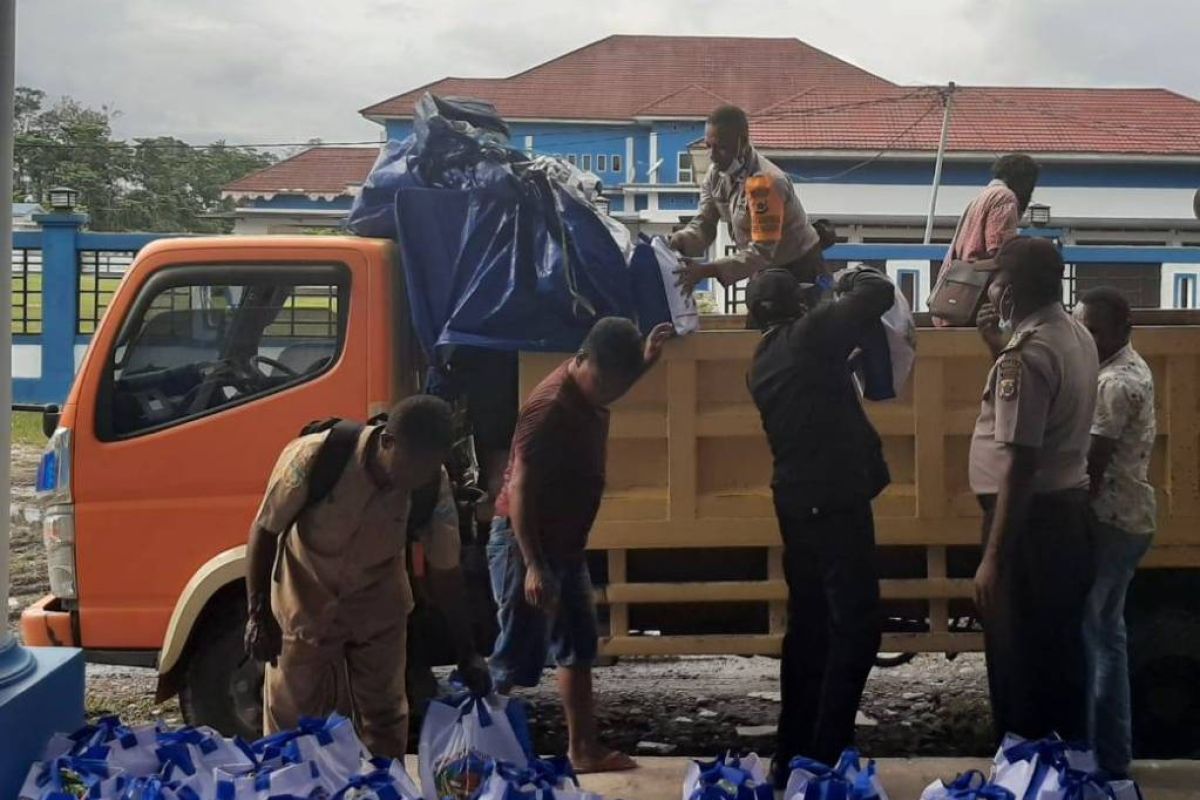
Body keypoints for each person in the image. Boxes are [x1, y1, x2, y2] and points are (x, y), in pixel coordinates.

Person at [244, 396, 491, 758]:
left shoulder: (429, 485)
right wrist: (258, 613)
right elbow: (264, 531)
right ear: (387, 442)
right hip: (306, 595)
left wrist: (467, 653)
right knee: (290, 721)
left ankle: (380, 786)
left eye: (429, 467)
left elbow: (446, 572)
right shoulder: (314, 458)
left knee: (386, 717)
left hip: (377, 604)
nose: (418, 478)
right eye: (413, 465)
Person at [488, 318, 674, 773]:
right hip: (525, 544)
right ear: (583, 359)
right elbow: (521, 493)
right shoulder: (548, 408)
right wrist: (533, 565)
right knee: (514, 656)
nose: (607, 392)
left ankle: (582, 750)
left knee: (577, 645)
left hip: (564, 547)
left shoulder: (591, 385)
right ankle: (470, 741)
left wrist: (646, 364)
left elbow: (613, 383)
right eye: (604, 381)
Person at [744, 266, 894, 784]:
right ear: (796, 305)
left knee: (808, 628)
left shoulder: (761, 360)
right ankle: (827, 754)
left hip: (796, 503)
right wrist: (852, 279)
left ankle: (791, 754)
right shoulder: (807, 337)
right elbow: (878, 293)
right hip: (833, 502)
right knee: (857, 626)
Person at [969, 237, 1098, 743]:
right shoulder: (1073, 334)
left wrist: (994, 558)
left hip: (1029, 529)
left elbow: (1021, 463)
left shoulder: (1026, 357)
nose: (991, 288)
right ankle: (1065, 775)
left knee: (1018, 667)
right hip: (1064, 518)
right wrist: (998, 349)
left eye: (997, 278)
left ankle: (1027, 775)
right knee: (1058, 660)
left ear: (1013, 290)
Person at [1074, 287, 1156, 778]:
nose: (1087, 340)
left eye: (1095, 332)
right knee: (1108, 636)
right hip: (1128, 518)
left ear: (1122, 331)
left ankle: (1100, 761)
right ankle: (1110, 756)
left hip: (1111, 521)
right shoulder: (1127, 367)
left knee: (1098, 641)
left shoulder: (1113, 384)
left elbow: (1092, 466)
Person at [670, 105, 827, 299]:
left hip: (798, 268)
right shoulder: (716, 173)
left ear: (742, 142)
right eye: (708, 146)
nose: (712, 155)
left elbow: (762, 252)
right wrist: (680, 241)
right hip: (762, 268)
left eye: (721, 147)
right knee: (758, 323)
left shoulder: (767, 182)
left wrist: (705, 271)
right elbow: (705, 223)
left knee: (787, 328)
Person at [931, 154, 1040, 327]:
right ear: (1024, 180)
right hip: (977, 299)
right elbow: (1001, 252)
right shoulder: (1005, 197)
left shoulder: (982, 197)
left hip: (958, 294)